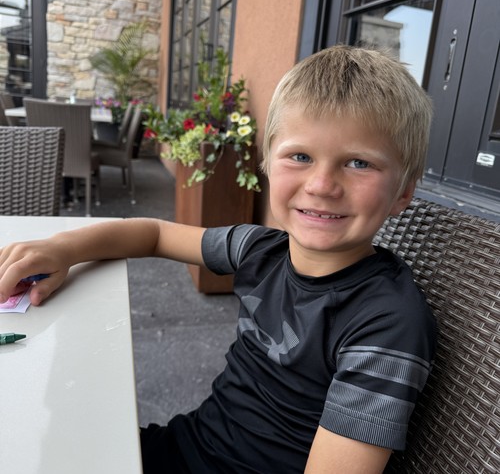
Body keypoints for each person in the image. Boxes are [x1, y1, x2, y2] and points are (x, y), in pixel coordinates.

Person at [0, 45, 436, 473]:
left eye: (358, 163)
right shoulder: (260, 250)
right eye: (300, 156)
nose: (322, 184)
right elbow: (155, 234)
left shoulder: (386, 324)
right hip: (188, 445)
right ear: (267, 163)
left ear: (403, 192)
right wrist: (64, 248)